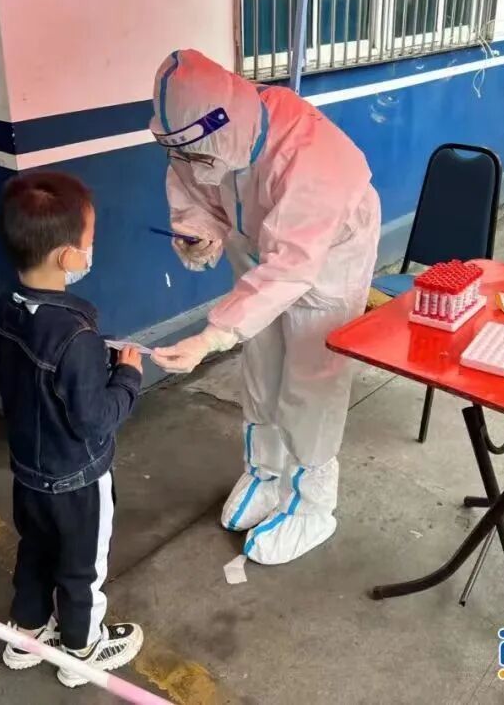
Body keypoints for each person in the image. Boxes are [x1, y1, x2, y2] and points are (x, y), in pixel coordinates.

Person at [149, 49, 380, 566]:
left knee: (311, 376)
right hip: (256, 245)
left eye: (199, 155)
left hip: (327, 257)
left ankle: (312, 503)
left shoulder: (312, 158)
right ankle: (266, 473)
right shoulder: (201, 136)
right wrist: (198, 232)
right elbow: (196, 188)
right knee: (261, 364)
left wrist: (210, 336)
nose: (192, 165)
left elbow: (291, 266)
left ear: (226, 127)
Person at [0, 172, 145, 685]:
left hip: (28, 472)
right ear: (66, 257)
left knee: (36, 547)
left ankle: (26, 632)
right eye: (88, 241)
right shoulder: (76, 336)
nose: (91, 249)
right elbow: (94, 418)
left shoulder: (3, 310)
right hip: (77, 479)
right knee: (82, 564)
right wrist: (127, 377)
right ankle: (81, 648)